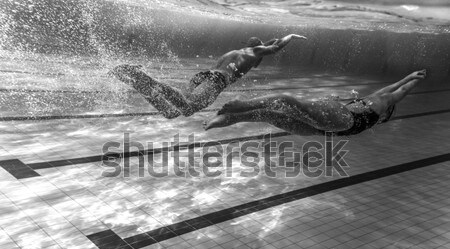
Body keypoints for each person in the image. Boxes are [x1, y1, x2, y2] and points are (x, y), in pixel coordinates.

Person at [109, 34, 307, 119]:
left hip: (205, 77)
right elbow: (275, 46)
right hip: (216, 81)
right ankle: (139, 75)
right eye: (261, 49)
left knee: (174, 112)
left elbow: (268, 44)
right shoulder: (254, 53)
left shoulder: (234, 52)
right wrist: (291, 36)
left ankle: (133, 81)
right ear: (258, 47)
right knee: (186, 106)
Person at [204, 70, 427, 135]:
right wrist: (414, 79)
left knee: (273, 114)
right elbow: (399, 92)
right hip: (337, 123)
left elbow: (394, 88)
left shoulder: (374, 101)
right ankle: (242, 106)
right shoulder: (380, 106)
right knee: (284, 103)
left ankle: (225, 119)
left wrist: (411, 77)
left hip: (326, 128)